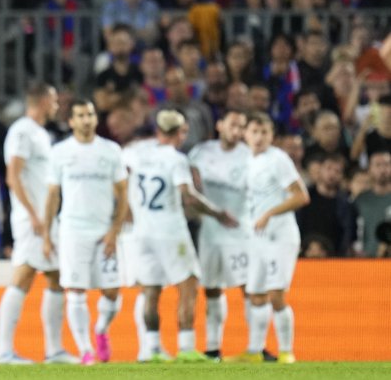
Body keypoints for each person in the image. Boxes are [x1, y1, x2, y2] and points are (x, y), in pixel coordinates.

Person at [124, 109, 237, 363]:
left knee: (151, 290)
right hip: (170, 230)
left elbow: (125, 161)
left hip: (141, 232)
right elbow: (188, 196)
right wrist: (218, 213)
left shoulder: (137, 153)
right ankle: (186, 348)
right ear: (181, 133)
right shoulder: (176, 160)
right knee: (188, 284)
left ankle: (152, 349)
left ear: (157, 131)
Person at [0, 82, 78, 364]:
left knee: (56, 277)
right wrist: (32, 215)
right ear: (42, 101)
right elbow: (13, 176)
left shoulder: (42, 133)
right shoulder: (22, 131)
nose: (57, 106)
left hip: (47, 218)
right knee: (23, 275)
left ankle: (54, 350)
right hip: (31, 219)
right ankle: (3, 351)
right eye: (54, 100)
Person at [43, 99, 128, 365]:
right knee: (76, 290)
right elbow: (52, 196)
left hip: (104, 230)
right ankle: (85, 350)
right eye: (80, 115)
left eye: (90, 114)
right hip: (73, 230)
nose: (86, 120)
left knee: (113, 292)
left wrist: (115, 230)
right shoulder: (60, 152)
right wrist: (47, 234)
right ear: (71, 122)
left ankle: (101, 330)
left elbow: (123, 193)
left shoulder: (111, 150)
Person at [228, 111, 310, 364]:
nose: (259, 137)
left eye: (264, 132)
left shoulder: (278, 160)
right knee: (255, 294)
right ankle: (255, 351)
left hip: (280, 236)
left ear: (272, 135)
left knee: (276, 295)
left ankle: (286, 351)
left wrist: (269, 213)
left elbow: (301, 196)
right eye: (254, 132)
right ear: (245, 134)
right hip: (258, 238)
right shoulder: (249, 161)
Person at [188, 109, 250, 361]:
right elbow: (189, 184)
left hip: (239, 232)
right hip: (210, 233)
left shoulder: (249, 156)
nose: (237, 132)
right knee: (212, 289)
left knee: (250, 289)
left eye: (241, 127)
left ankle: (256, 346)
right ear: (220, 125)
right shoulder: (201, 153)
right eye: (233, 125)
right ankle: (213, 347)